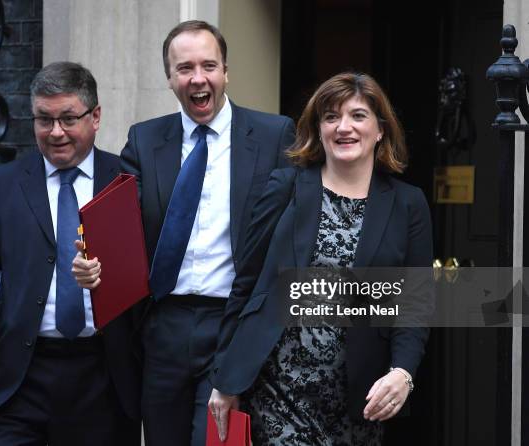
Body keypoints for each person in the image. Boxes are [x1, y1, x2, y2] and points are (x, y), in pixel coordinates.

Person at [73, 20, 295, 446]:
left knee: (216, 440)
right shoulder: (145, 139)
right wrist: (91, 261)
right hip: (163, 328)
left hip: (233, 322)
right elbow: (121, 230)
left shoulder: (273, 136)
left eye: (208, 66)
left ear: (225, 71)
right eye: (185, 68)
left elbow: (292, 231)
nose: (198, 78)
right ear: (170, 78)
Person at [208, 72, 432, 445]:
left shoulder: (408, 204)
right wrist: (225, 377)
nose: (344, 127)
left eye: (358, 116)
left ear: (380, 130)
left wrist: (402, 372)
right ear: (318, 129)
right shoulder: (285, 187)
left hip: (358, 400)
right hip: (277, 391)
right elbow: (246, 285)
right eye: (331, 117)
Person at [0, 62, 141, 446]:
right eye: (44, 119)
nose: (55, 132)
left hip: (104, 380)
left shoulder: (126, 179)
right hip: (19, 381)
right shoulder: (2, 183)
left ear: (95, 117)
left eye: (68, 118)